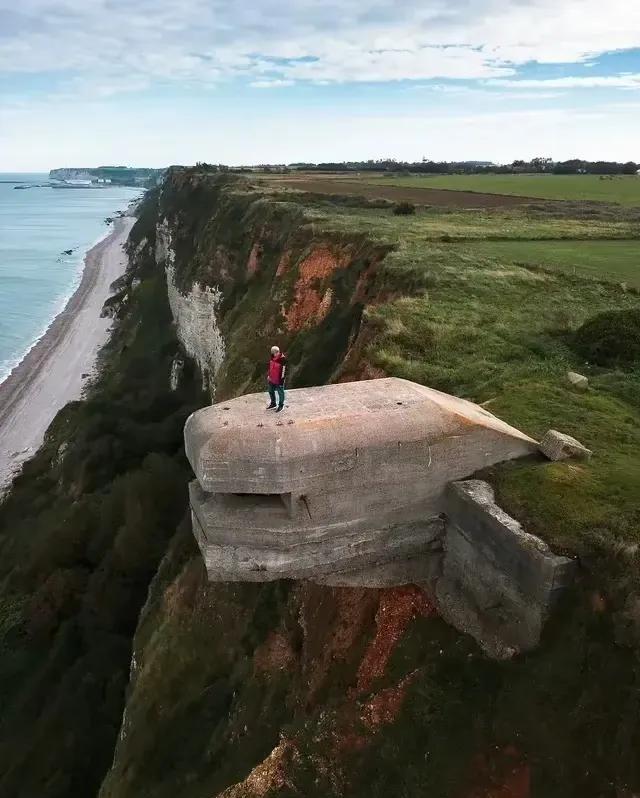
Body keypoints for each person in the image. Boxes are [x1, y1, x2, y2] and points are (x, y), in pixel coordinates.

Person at [266, 345, 287, 412]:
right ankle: (273, 403)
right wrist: (269, 375)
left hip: (279, 380)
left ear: (277, 352)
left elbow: (284, 371)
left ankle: (281, 405)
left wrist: (281, 381)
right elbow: (270, 367)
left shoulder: (283, 360)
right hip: (272, 379)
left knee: (280, 393)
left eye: (274, 353)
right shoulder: (272, 357)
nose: (273, 354)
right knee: (270, 391)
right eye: (273, 353)